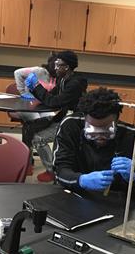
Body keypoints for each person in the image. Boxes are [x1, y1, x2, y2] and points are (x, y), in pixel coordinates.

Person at [53, 87, 135, 196]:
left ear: (116, 121)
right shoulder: (70, 126)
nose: (99, 136)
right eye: (92, 129)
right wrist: (81, 180)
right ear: (84, 118)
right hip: (74, 194)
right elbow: (60, 171)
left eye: (106, 130)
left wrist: (133, 178)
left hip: (115, 201)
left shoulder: (132, 137)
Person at [25, 50, 88, 182]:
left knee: (38, 139)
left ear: (67, 67)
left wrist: (37, 87)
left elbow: (54, 102)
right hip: (64, 118)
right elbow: (52, 97)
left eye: (58, 65)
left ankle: (51, 171)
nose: (55, 68)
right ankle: (35, 164)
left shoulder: (74, 84)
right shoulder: (63, 79)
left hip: (74, 123)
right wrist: (34, 89)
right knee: (31, 128)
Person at [12, 53, 58, 175]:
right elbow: (17, 73)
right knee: (34, 123)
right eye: (56, 65)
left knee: (46, 120)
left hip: (41, 107)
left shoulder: (57, 77)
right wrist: (22, 92)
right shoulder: (39, 71)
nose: (57, 68)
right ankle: (26, 161)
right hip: (27, 105)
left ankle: (28, 158)